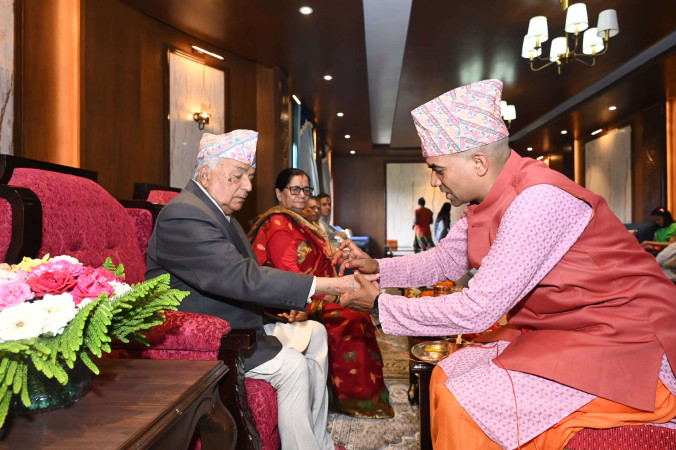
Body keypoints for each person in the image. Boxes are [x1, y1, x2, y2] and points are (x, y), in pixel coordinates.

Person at [336, 79, 676, 449]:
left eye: (438, 169)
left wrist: (380, 305)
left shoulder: (537, 199)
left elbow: (478, 310)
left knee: (466, 402)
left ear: (478, 163)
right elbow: (446, 259)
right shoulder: (484, 198)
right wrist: (378, 268)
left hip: (626, 338)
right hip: (566, 328)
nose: (434, 182)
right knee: (446, 375)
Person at [145, 130, 363, 450]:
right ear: (205, 174)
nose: (248, 186)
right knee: (293, 366)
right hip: (212, 336)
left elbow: (241, 279)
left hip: (241, 322)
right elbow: (239, 277)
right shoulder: (184, 214)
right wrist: (328, 286)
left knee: (316, 333)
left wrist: (278, 306)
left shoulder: (222, 215)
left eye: (249, 177)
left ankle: (320, 442)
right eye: (237, 176)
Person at [248, 168, 394, 418]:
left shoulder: (299, 221)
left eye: (306, 190)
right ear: (279, 193)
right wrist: (332, 294)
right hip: (291, 301)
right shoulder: (279, 224)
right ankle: (352, 399)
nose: (302, 195)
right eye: (295, 189)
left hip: (312, 290)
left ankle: (358, 395)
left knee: (358, 308)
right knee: (351, 316)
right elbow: (290, 277)